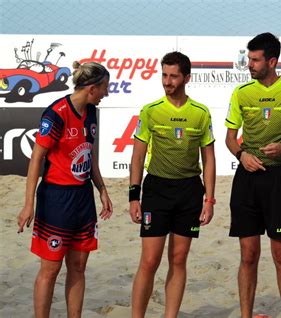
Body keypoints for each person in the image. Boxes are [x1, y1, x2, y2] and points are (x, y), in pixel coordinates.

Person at [225, 32, 281, 318]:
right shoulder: (241, 92)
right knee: (248, 255)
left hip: (279, 178)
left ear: (272, 61)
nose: (249, 64)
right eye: (248, 58)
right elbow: (229, 138)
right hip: (247, 179)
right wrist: (241, 155)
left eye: (255, 59)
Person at [16, 61, 113, 318]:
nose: (106, 93)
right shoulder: (56, 113)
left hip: (83, 198)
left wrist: (101, 188)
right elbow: (36, 158)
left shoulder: (91, 111)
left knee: (78, 266)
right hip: (56, 199)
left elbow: (89, 153)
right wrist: (29, 204)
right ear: (92, 88)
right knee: (50, 269)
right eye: (104, 87)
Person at [129, 51, 216, 318]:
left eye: (173, 76)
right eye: (164, 75)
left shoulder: (201, 113)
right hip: (157, 190)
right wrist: (134, 196)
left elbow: (209, 159)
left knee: (178, 260)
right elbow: (138, 156)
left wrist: (209, 200)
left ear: (186, 78)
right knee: (150, 261)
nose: (167, 81)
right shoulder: (151, 111)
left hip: (189, 191)